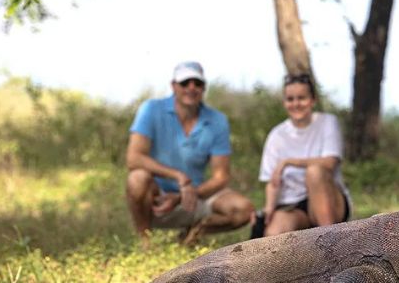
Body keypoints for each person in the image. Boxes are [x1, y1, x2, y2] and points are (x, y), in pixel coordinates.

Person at [126, 61, 253, 245]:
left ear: (204, 87)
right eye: (185, 83)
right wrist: (179, 177)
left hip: (193, 195)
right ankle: (145, 242)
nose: (191, 88)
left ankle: (190, 237)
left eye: (197, 83)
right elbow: (134, 158)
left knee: (244, 210)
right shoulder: (151, 109)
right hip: (156, 195)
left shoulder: (217, 120)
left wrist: (184, 194)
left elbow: (221, 177)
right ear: (174, 86)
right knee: (137, 178)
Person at [255, 73, 351, 237]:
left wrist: (288, 162)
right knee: (273, 233)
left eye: (302, 98)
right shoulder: (276, 135)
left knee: (315, 172)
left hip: (329, 200)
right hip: (293, 205)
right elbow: (273, 182)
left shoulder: (328, 122)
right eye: (290, 99)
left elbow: (330, 163)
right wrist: (268, 209)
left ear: (312, 100)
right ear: (285, 103)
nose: (296, 104)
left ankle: (331, 244)